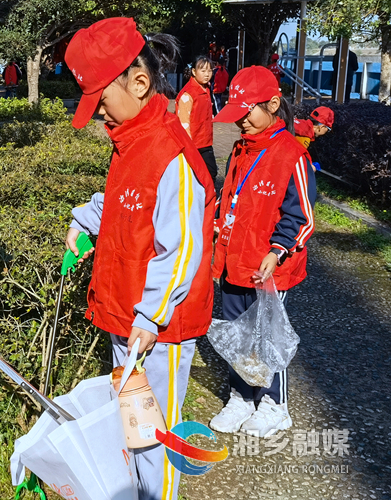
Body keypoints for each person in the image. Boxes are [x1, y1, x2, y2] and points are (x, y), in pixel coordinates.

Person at [64, 18, 215, 500]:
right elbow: (123, 198)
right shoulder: (130, 141)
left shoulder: (171, 153)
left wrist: (151, 315)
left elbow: (183, 250)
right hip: (130, 320)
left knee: (155, 437)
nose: (100, 117)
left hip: (157, 331)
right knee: (133, 428)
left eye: (101, 103)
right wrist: (85, 218)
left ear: (140, 82)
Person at [208, 66, 316, 438]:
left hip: (270, 266)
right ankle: (242, 396)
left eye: (245, 113)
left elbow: (301, 216)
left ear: (272, 104)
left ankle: (274, 403)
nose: (240, 122)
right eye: (235, 115)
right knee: (238, 335)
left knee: (268, 335)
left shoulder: (292, 155)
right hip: (234, 260)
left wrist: (277, 251)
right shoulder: (240, 149)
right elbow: (229, 199)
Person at [176, 56, 217, 183]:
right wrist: (188, 147)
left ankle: (207, 200)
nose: (207, 74)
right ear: (194, 72)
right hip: (193, 145)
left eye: (210, 71)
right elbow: (183, 123)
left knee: (211, 173)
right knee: (195, 177)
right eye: (203, 71)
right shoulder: (188, 94)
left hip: (206, 142)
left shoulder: (206, 89)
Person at [294, 106, 334, 171]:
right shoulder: (304, 136)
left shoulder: (298, 124)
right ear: (322, 126)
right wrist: (311, 168)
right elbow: (294, 163)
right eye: (328, 129)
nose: (326, 132)